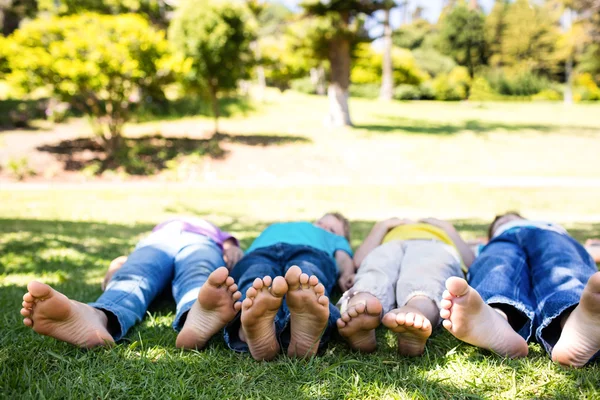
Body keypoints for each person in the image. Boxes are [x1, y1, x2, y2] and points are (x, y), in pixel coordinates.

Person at [20, 217, 244, 350]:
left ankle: (197, 313)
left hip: (200, 243)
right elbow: (132, 262)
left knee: (199, 272)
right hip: (158, 244)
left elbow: (231, 247)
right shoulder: (159, 230)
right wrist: (117, 266)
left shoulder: (214, 233)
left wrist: (231, 247)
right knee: (134, 274)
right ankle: (97, 316)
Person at [440, 212, 600, 368]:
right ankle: (496, 318)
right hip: (501, 242)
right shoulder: (490, 243)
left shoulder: (547, 227)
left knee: (561, 261)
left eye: (511, 218)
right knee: (496, 266)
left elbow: (576, 255)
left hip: (550, 236)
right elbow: (466, 251)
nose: (507, 220)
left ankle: (575, 322)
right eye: (501, 222)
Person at [224, 212, 354, 361]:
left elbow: (344, 258)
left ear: (340, 237)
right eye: (321, 223)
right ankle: (254, 326)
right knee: (256, 278)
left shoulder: (335, 241)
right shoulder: (290, 227)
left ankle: (299, 326)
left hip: (310, 252)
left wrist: (347, 274)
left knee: (306, 278)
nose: (324, 227)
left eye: (331, 229)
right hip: (260, 253)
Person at [336, 217, 475, 356]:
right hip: (389, 246)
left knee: (428, 272)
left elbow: (471, 263)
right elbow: (360, 261)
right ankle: (363, 302)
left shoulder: (441, 230)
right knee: (376, 267)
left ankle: (417, 309)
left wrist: (448, 228)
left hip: (432, 245)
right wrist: (382, 226)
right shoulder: (389, 229)